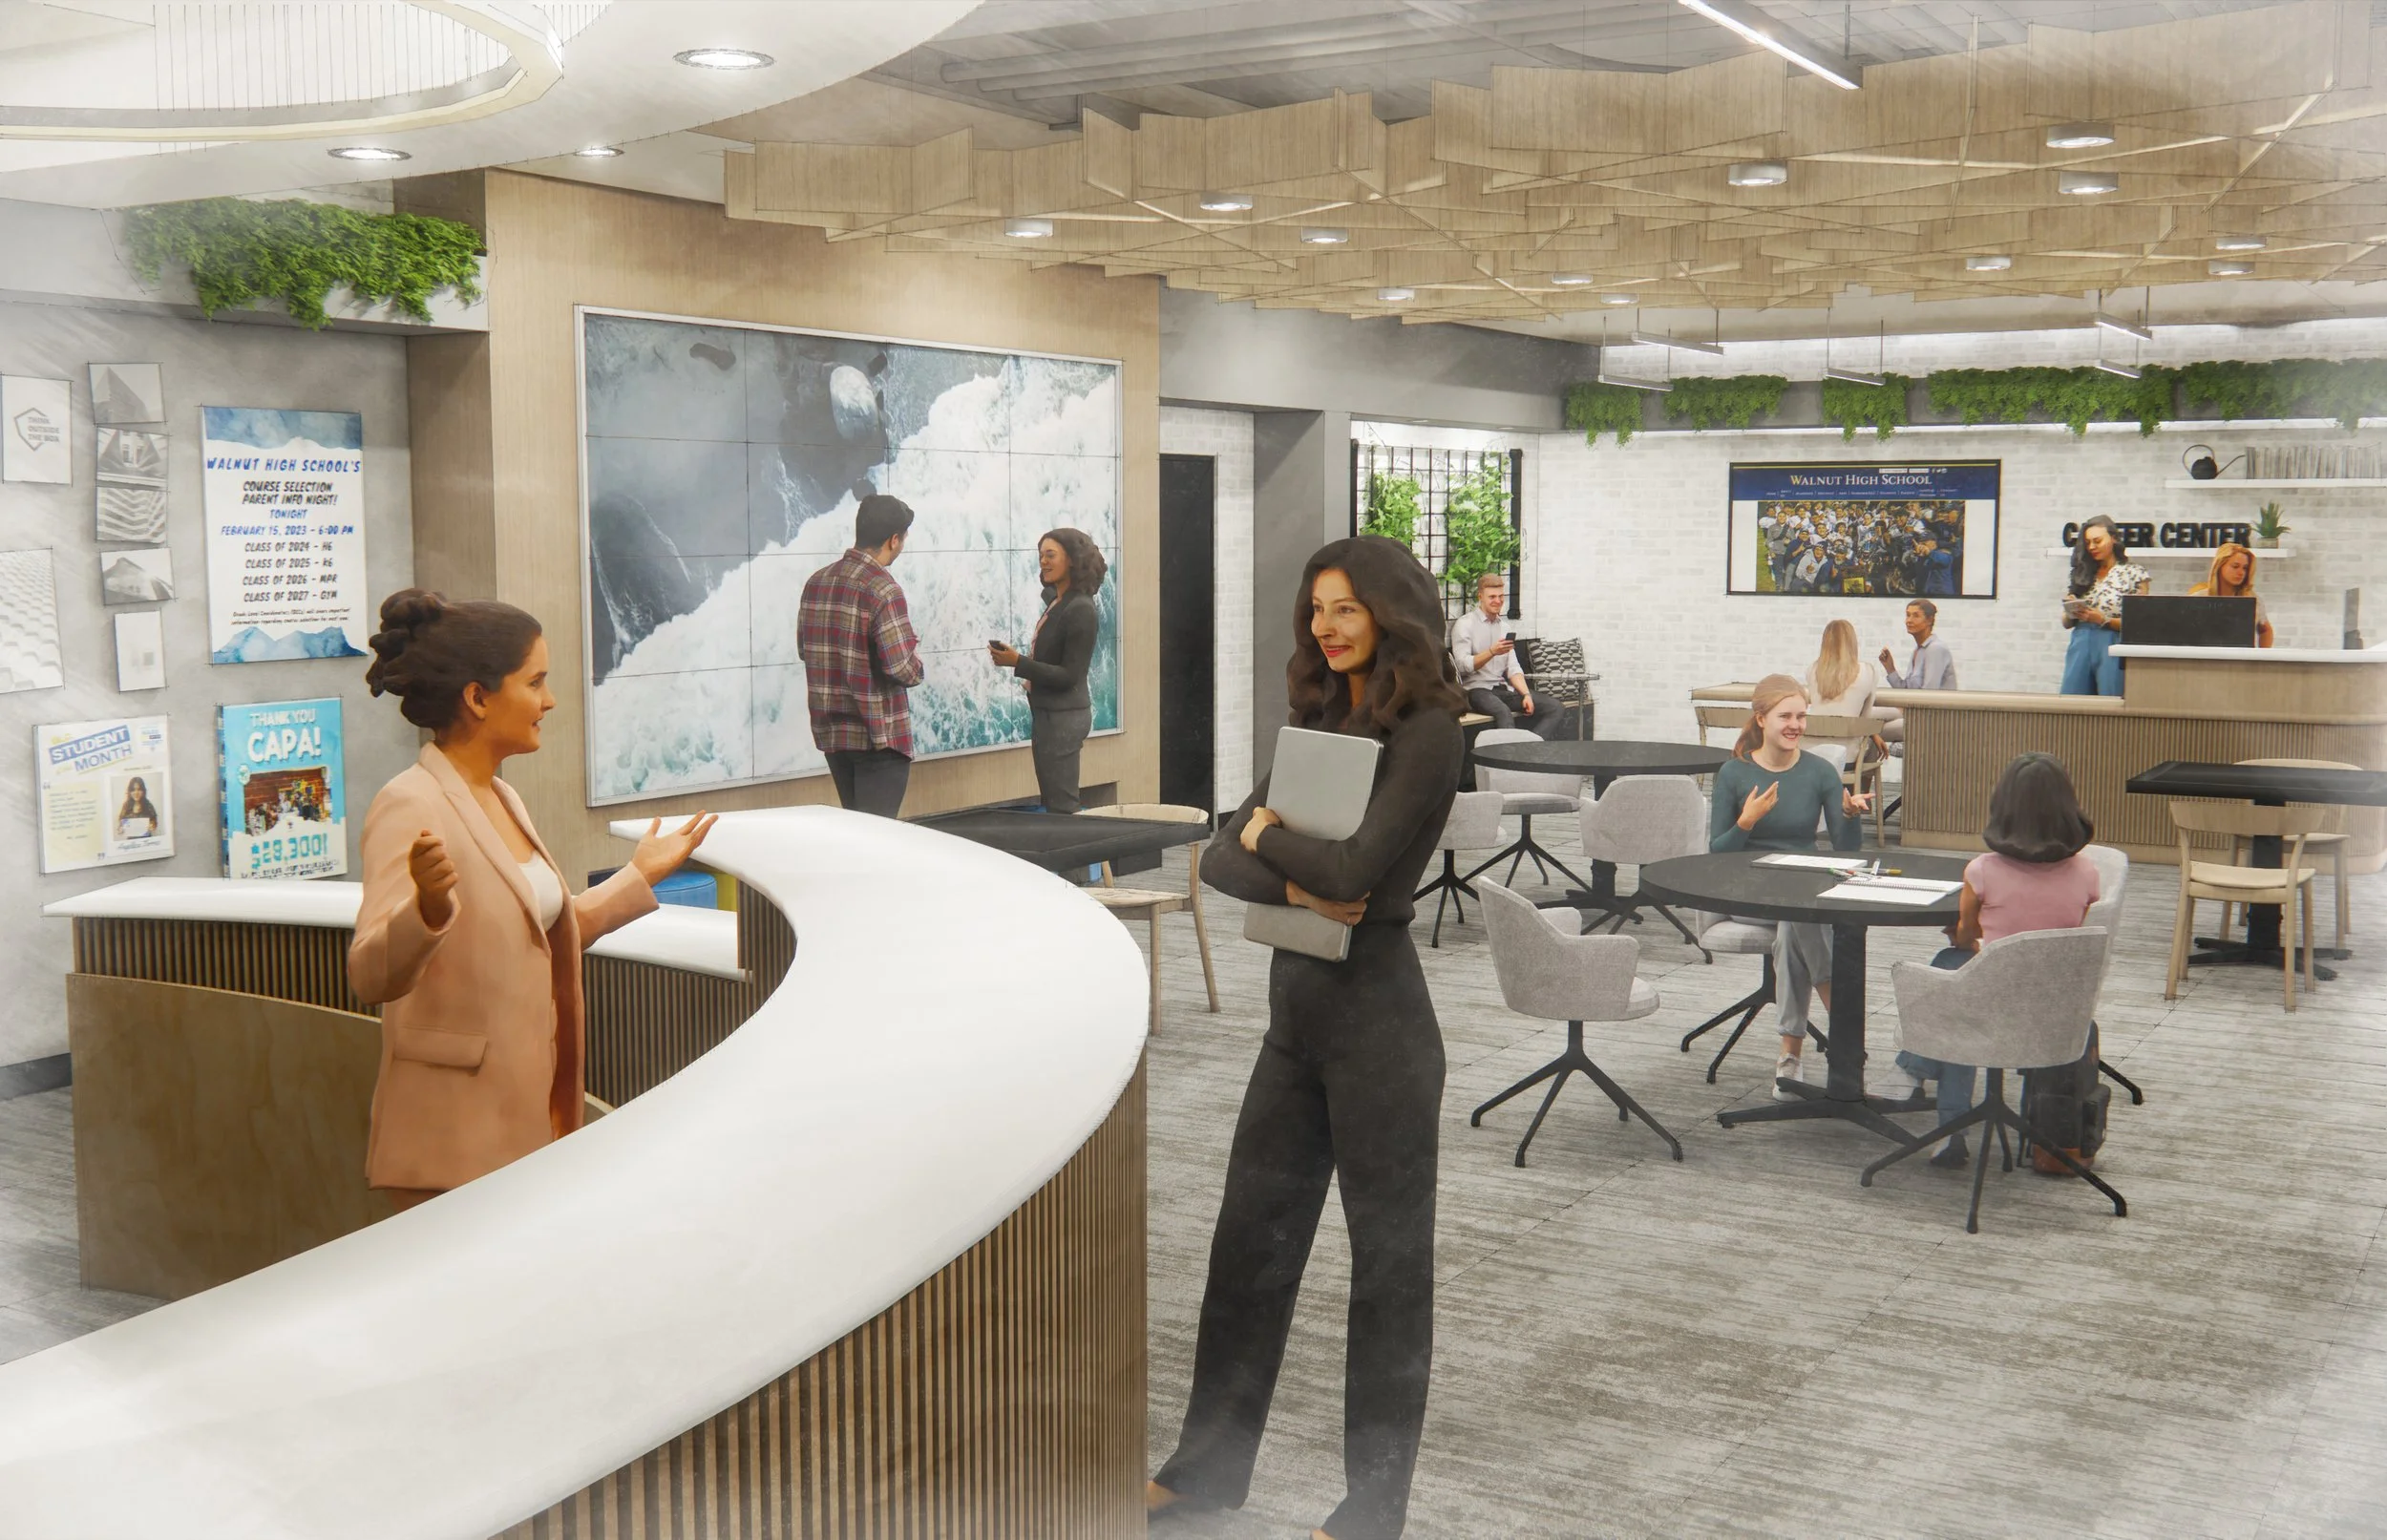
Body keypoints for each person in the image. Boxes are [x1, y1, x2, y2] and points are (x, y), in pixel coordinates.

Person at [1149, 536, 1466, 1540]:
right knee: (1247, 1248)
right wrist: (1288, 871)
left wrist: (1267, 839)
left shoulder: (1430, 731)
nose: (1325, 627)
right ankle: (1205, 1469)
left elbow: (1357, 870)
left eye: (1345, 608)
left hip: (1382, 1033)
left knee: (1387, 1277)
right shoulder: (1320, 716)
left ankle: (1373, 1509)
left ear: (1390, 612)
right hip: (1295, 1026)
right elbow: (1218, 860)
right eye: (1315, 609)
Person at [350, 589, 714, 1209]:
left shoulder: (503, 797)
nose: (549, 701)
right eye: (536, 682)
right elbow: (369, 974)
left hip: (526, 1114)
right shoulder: (409, 803)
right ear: (477, 697)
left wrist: (639, 875)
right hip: (454, 1135)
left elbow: (537, 933)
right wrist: (427, 912)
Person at [1889, 753, 2101, 1168]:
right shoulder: (2088, 874)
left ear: (2003, 808)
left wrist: (1967, 934)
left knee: (1953, 973)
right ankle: (1916, 1074)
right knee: (1961, 987)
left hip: (1990, 1010)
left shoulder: (1982, 871)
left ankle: (1942, 1117)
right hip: (2054, 1011)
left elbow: (1966, 936)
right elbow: (2068, 936)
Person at [1707, 675, 1871, 1098]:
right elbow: (1716, 854)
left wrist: (1851, 816)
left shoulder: (1820, 772)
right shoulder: (1734, 773)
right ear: (1762, 719)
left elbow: (1845, 851)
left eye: (1801, 716)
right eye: (1786, 716)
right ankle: (1844, 1026)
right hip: (1746, 888)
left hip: (1801, 888)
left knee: (1791, 930)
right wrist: (1747, 822)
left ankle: (1789, 1057)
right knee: (1798, 918)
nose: (1796, 724)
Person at [798, 493, 926, 816]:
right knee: (877, 836)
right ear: (894, 540)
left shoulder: (817, 582)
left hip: (834, 737)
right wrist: (914, 655)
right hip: (876, 738)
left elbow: (804, 649)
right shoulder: (884, 589)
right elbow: (903, 669)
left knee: (856, 831)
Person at [989, 527, 1106, 812]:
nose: (1043, 561)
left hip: (1063, 718)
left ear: (1073, 559)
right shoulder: (1059, 599)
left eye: (1051, 555)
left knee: (1061, 805)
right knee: (1053, 801)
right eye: (1041, 555)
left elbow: (1069, 676)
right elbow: (1051, 594)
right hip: (1049, 715)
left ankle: (1071, 845)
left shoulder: (1081, 609)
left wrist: (1018, 662)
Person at [2059, 515, 2150, 696]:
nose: (2092, 547)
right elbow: (2066, 623)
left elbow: (2138, 624)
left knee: (2111, 699)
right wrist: (2071, 610)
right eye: (2088, 543)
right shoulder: (2083, 573)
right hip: (2080, 641)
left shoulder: (2134, 573)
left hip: (2112, 642)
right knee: (2072, 701)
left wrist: (2102, 620)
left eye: (2097, 541)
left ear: (2113, 538)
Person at [1447, 571, 1538, 732]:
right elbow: (1462, 666)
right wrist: (1491, 652)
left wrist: (1526, 695)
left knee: (1553, 707)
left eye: (1501, 596)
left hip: (1501, 689)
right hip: (1475, 691)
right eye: (1492, 597)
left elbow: (1513, 668)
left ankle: (1530, 745)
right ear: (1480, 597)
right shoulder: (1465, 624)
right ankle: (1507, 749)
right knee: (1503, 712)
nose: (1498, 601)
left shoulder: (1504, 627)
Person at [1877, 599, 1957, 747]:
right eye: (1907, 615)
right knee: (1870, 726)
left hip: (1933, 722)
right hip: (1916, 715)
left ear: (1929, 620)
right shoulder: (1918, 651)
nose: (1909, 620)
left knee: (1871, 730)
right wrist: (1890, 668)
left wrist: (1902, 709)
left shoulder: (1936, 649)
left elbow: (1928, 695)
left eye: (1915, 616)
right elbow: (1906, 692)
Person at [2188, 540, 2274, 647]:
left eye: (2245, 568)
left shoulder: (2252, 600)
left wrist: (2262, 655)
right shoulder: (2198, 598)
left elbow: (2265, 630)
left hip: (2242, 656)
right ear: (2220, 565)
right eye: (2235, 566)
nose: (2241, 573)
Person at [1800, 618, 1879, 719]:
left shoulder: (1812, 670)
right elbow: (1865, 716)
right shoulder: (1868, 672)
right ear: (1853, 642)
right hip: (1850, 729)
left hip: (1814, 728)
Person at [115, 776, 158, 840]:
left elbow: (154, 823)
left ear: (143, 791)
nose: (136, 793)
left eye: (139, 789)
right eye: (133, 790)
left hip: (146, 841)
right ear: (130, 792)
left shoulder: (149, 805)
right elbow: (121, 825)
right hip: (131, 842)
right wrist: (120, 829)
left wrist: (153, 825)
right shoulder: (126, 806)